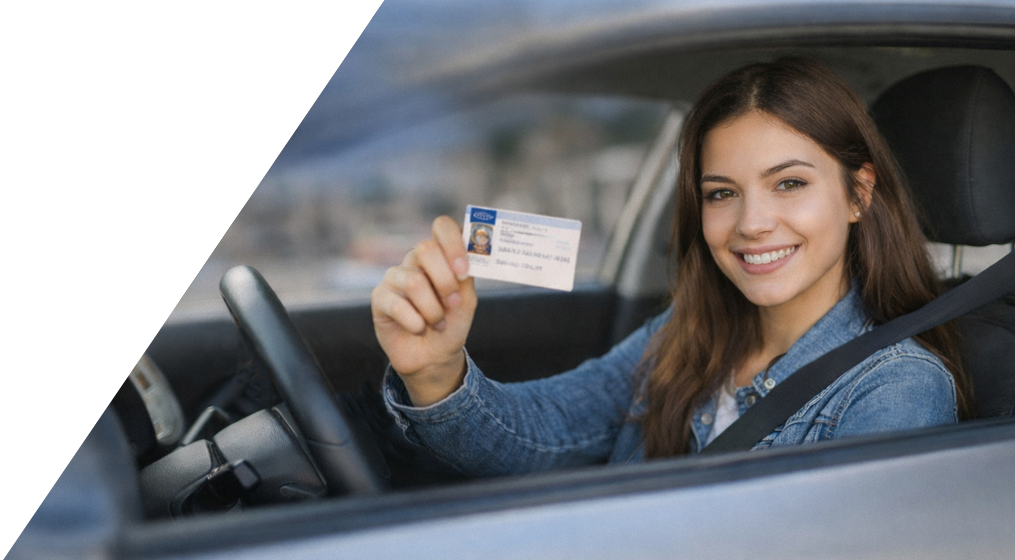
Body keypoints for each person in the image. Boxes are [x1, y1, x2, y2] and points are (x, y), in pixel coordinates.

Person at [369, 58, 971, 477]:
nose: (752, 223)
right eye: (720, 193)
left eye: (789, 183)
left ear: (858, 195)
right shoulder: (685, 330)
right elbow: (541, 432)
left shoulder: (897, 388)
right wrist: (436, 374)